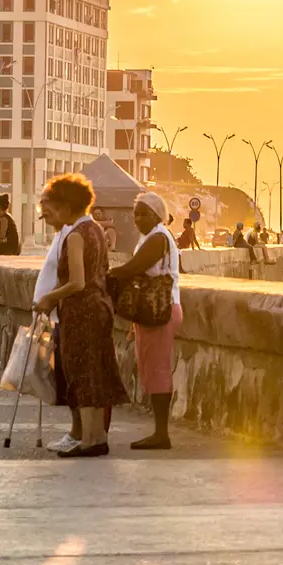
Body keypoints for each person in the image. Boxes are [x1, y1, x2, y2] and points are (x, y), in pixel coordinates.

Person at [32, 174, 125, 458]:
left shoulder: (74, 235)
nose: (48, 213)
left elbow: (77, 282)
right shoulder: (95, 229)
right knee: (96, 373)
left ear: (66, 206)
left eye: (52, 207)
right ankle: (96, 437)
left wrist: (49, 297)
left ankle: (88, 441)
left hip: (81, 311)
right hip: (99, 308)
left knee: (81, 373)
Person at [108, 191, 181, 450]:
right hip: (151, 311)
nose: (137, 218)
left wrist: (106, 275)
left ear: (157, 215)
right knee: (150, 370)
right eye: (135, 213)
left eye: (143, 213)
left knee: (158, 370)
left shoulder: (159, 237)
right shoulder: (151, 237)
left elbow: (133, 268)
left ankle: (161, 433)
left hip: (161, 310)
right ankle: (159, 431)